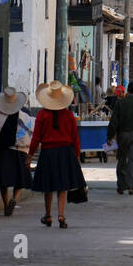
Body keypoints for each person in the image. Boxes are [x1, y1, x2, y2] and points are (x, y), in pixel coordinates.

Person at [28, 80, 85, 229]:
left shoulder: (41, 115)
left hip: (48, 153)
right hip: (65, 152)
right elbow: (75, 138)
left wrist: (29, 155)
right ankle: (61, 214)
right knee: (62, 186)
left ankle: (48, 215)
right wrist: (77, 156)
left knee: (48, 186)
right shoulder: (69, 116)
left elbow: (36, 138)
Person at [0, 85, 33, 215]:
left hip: (3, 151)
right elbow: (30, 134)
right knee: (20, 180)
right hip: (21, 151)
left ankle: (6, 204)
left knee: (3, 181)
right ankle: (14, 198)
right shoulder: (25, 117)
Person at [107, 80, 133, 194]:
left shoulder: (120, 103)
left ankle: (121, 185)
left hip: (122, 134)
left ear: (127, 90)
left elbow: (114, 121)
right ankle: (132, 186)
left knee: (122, 158)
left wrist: (110, 136)